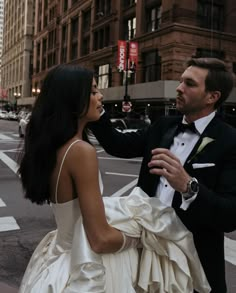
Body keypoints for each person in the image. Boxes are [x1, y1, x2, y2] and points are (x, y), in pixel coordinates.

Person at [18, 64, 210, 293]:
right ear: (72, 99)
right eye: (92, 91)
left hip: (57, 257)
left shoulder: (57, 146)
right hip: (85, 264)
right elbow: (100, 239)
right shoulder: (81, 152)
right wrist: (143, 237)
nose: (100, 96)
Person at [90, 57, 236, 293]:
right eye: (181, 81)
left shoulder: (230, 141)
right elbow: (118, 144)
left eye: (189, 84)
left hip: (194, 266)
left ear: (212, 96)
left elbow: (230, 216)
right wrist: (95, 107)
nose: (179, 88)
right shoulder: (163, 126)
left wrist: (188, 186)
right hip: (147, 258)